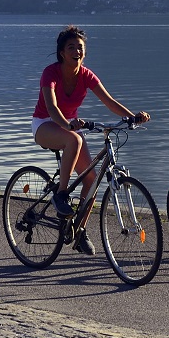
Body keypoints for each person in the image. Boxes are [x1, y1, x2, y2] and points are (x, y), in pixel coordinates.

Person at [33, 25, 150, 253]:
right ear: (62, 53)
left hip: (70, 127)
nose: (77, 51)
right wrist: (67, 124)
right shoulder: (51, 73)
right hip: (45, 123)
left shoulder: (86, 75)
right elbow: (52, 107)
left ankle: (79, 231)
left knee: (92, 179)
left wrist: (132, 117)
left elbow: (109, 101)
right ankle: (61, 195)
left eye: (80, 47)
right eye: (71, 47)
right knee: (74, 140)